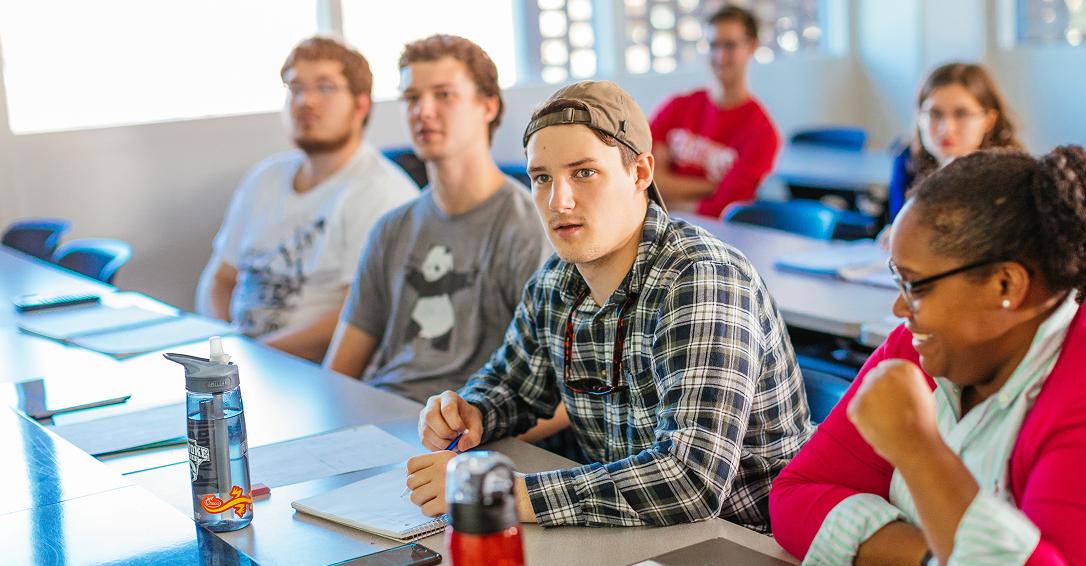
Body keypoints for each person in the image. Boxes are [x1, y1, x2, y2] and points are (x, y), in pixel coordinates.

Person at [406, 80, 812, 532]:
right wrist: (472, 411)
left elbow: (690, 480)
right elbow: (514, 386)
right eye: (542, 178)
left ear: (640, 173)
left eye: (584, 173)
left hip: (741, 541)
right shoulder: (557, 280)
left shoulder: (701, 279)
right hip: (632, 535)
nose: (558, 201)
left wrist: (502, 491)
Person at [771, 146, 1086, 564]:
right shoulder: (930, 344)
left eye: (915, 285)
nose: (900, 308)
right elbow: (796, 497)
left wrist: (919, 452)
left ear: (1005, 285)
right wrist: (935, 553)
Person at [324, 35, 551, 403]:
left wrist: (470, 429)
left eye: (444, 95)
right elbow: (337, 375)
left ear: (488, 106)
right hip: (384, 410)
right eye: (412, 97)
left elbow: (555, 393)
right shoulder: (390, 229)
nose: (423, 111)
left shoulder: (527, 227)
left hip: (469, 421)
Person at [197, 37, 418, 362]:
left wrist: (252, 355)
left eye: (325, 88)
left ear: (361, 105)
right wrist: (225, 348)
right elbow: (219, 280)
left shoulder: (382, 193)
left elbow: (359, 318)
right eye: (295, 88)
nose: (306, 101)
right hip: (238, 361)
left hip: (303, 369)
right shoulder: (265, 178)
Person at [649, 4, 781, 217]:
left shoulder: (763, 134)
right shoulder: (676, 107)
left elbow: (721, 210)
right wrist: (712, 186)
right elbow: (646, 180)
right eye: (713, 45)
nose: (720, 56)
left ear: (752, 47)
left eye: (730, 46)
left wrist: (664, 199)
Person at [887, 62, 1022, 221]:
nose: (946, 129)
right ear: (920, 117)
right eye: (935, 113)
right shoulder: (906, 160)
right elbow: (897, 222)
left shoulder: (1011, 177)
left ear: (989, 121)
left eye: (961, 114)